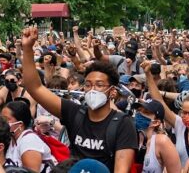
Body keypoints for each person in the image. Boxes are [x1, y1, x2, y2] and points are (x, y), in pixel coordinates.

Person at [19, 26, 138, 172]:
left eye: (99, 85)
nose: (92, 89)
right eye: (88, 85)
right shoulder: (74, 112)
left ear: (112, 92)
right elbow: (35, 88)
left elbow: (121, 169)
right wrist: (27, 48)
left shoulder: (123, 124)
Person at [0, 101, 59, 172]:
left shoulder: (29, 141)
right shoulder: (11, 140)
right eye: (1, 119)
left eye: (6, 119)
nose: (2, 122)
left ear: (20, 124)